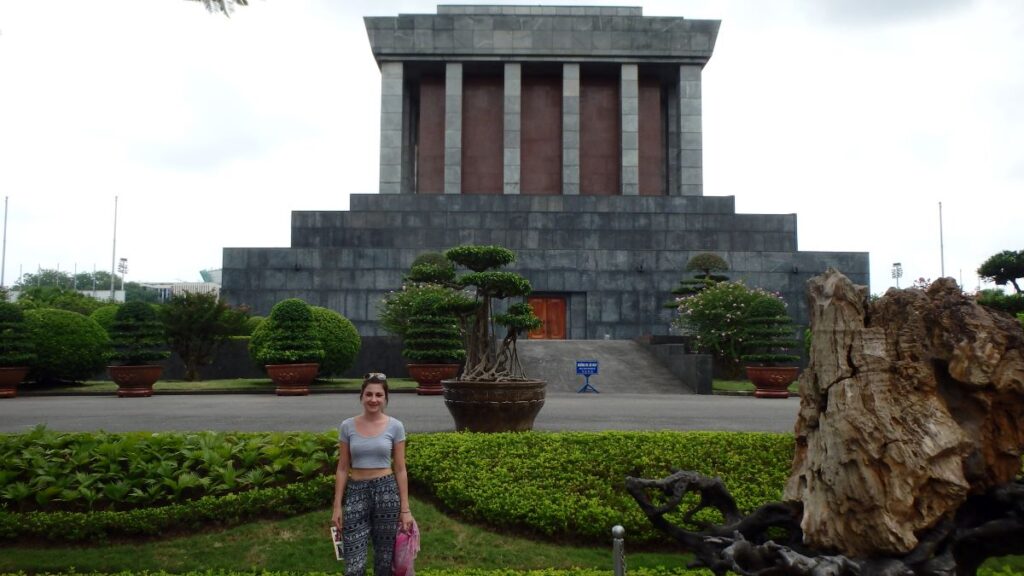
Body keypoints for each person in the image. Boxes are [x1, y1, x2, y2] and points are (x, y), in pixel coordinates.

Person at [332, 372, 415, 576]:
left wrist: (405, 510)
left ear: (385, 398)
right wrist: (337, 507)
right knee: (354, 563)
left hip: (386, 491)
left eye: (379, 395)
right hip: (356, 491)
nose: (373, 399)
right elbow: (342, 468)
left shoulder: (396, 426)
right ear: (361, 396)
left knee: (385, 560)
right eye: (369, 394)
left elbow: (401, 468)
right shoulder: (347, 426)